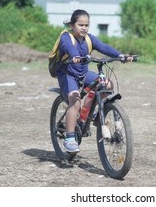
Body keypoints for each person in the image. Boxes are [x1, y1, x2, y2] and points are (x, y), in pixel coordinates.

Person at [56, 9, 133, 153]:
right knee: (75, 99)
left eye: (86, 25)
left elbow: (103, 47)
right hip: (68, 74)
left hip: (83, 73)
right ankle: (70, 138)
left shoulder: (89, 39)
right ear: (72, 25)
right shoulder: (66, 37)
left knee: (107, 84)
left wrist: (120, 55)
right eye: (80, 25)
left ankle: (94, 112)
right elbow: (69, 48)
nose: (84, 28)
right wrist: (75, 56)